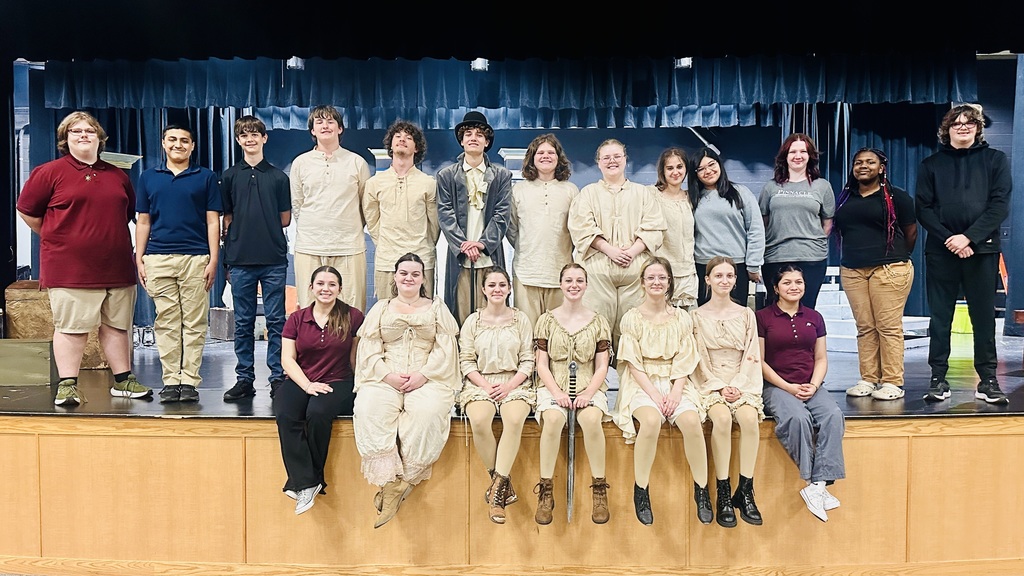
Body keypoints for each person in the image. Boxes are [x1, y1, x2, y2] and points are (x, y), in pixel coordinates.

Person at [16, 111, 152, 405]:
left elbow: (131, 215)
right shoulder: (48, 172)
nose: (83, 135)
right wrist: (58, 236)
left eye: (89, 131)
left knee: (117, 326)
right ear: (65, 139)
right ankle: (67, 385)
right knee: (72, 328)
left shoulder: (117, 175)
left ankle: (123, 380)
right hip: (70, 269)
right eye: (76, 131)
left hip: (116, 266)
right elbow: (27, 212)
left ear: (99, 138)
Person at [352, 253, 461, 529]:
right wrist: (387, 375)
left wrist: (423, 375)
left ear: (423, 278)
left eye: (415, 274)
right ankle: (392, 482)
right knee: (368, 407)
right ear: (395, 276)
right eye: (404, 273)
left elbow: (445, 348)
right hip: (386, 375)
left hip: (428, 375)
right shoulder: (381, 308)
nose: (409, 278)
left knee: (428, 413)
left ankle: (398, 486)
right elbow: (369, 348)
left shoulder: (436, 308)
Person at [916, 103, 1012, 404]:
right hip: (942, 251)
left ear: (977, 127)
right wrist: (951, 239)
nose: (963, 127)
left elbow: (999, 206)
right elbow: (924, 209)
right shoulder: (931, 164)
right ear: (947, 129)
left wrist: (969, 237)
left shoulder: (996, 160)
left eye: (968, 123)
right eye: (956, 123)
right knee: (940, 318)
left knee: (983, 318)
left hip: (981, 251)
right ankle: (938, 379)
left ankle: (987, 380)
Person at [611, 257, 704, 526]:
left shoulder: (682, 318)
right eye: (651, 277)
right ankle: (641, 489)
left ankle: (702, 489)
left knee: (691, 421)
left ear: (669, 282)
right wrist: (654, 394)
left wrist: (675, 393)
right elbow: (632, 362)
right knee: (650, 421)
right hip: (643, 381)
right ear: (642, 283)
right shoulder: (632, 317)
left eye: (661, 277)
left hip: (676, 380)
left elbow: (686, 359)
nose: (656, 282)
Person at [135, 124, 222, 404]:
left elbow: (213, 221)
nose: (178, 145)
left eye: (184, 141)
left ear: (192, 146)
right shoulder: (148, 178)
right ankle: (171, 380)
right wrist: (139, 257)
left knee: (195, 323)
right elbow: (143, 221)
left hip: (196, 258)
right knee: (167, 322)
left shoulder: (206, 177)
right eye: (172, 139)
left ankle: (190, 381)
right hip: (158, 259)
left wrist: (213, 259)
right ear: (163, 143)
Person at [756, 265, 845, 522]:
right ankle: (812, 479)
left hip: (810, 384)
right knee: (797, 419)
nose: (794, 287)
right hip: (776, 385)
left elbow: (821, 357)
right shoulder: (763, 317)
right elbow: (759, 362)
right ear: (776, 287)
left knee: (832, 415)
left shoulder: (814, 317)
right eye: (787, 282)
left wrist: (814, 385)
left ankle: (816, 488)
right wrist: (787, 387)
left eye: (798, 282)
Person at [274, 266, 363, 515]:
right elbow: (288, 359)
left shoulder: (353, 316)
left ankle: (304, 482)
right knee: (285, 414)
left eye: (332, 284)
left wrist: (361, 386)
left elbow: (356, 357)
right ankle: (309, 482)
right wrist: (307, 385)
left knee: (318, 413)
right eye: (321, 284)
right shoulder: (296, 318)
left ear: (340, 289)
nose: (326, 289)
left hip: (338, 380)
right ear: (311, 287)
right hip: (302, 378)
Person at [835, 148, 917, 401]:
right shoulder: (845, 197)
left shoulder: (896, 197)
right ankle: (869, 379)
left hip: (889, 268)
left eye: (870, 162)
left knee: (888, 327)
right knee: (865, 327)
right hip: (852, 270)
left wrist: (894, 256)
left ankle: (892, 381)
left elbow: (910, 232)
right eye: (858, 162)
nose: (863, 166)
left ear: (882, 167)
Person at [533, 263, 612, 525]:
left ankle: (599, 488)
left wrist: (588, 393)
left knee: (590, 420)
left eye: (579, 280)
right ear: (561, 284)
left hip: (588, 386)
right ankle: (545, 489)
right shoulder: (546, 320)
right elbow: (541, 365)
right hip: (552, 386)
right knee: (554, 420)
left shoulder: (598, 321)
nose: (574, 285)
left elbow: (602, 366)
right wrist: (556, 393)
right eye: (569, 280)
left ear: (586, 285)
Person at [220, 115, 292, 401]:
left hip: (273, 258)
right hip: (239, 260)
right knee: (243, 322)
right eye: (244, 135)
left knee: (276, 320)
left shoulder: (278, 177)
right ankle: (244, 378)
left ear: (264, 138)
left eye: (255, 134)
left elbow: (284, 219)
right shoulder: (228, 176)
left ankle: (277, 377)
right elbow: (227, 218)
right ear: (238, 140)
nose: (250, 139)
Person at [569, 139, 665, 348]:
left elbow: (655, 226)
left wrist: (632, 251)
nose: (612, 161)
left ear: (625, 159)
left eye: (616, 156)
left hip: (636, 270)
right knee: (596, 330)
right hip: (597, 272)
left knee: (633, 331)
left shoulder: (643, 193)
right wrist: (609, 249)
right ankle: (596, 379)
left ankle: (631, 378)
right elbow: (580, 227)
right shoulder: (587, 193)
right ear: (599, 162)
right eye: (606, 158)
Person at [457, 267, 535, 524]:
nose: (497, 289)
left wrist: (510, 385)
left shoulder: (521, 319)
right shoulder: (473, 321)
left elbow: (528, 360)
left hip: (515, 383)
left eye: (502, 285)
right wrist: (486, 385)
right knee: (479, 419)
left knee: (514, 420)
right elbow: (466, 360)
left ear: (510, 289)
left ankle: (496, 493)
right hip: (481, 384)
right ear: (483, 289)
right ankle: (502, 486)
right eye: (492, 285)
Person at [691, 256, 764, 527]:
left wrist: (739, 384)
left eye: (730, 276)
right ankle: (722, 490)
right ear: (707, 280)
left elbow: (752, 354)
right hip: (711, 381)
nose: (725, 281)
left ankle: (745, 490)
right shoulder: (696, 316)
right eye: (718, 276)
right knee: (721, 418)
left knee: (748, 419)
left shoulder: (746, 314)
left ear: (736, 280)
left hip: (741, 379)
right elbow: (698, 357)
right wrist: (719, 386)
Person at [290, 105, 371, 310]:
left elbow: (366, 205)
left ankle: (351, 344)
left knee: (351, 309)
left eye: (330, 121)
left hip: (348, 245)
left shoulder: (356, 162)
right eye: (319, 122)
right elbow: (298, 204)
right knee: (310, 309)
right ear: (312, 131)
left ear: (340, 128)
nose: (325, 126)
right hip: (310, 245)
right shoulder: (300, 163)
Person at [436, 111, 513, 325]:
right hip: (460, 256)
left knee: (492, 314)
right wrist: (464, 245)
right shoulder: (447, 176)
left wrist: (481, 244)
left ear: (487, 142)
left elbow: (502, 213)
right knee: (461, 315)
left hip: (489, 254)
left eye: (480, 134)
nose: (473, 138)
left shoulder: (501, 175)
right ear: (461, 140)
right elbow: (445, 213)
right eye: (468, 133)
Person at [362, 120, 440, 300]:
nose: (402, 139)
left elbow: (434, 225)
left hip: (422, 260)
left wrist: (423, 246)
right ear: (390, 145)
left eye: (408, 137)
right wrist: (387, 244)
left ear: (417, 148)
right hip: (387, 261)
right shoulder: (374, 184)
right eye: (397, 136)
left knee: (423, 316)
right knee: (387, 315)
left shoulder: (428, 183)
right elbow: (372, 223)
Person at [506, 133, 578, 325]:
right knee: (528, 334)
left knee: (558, 335)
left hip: (560, 274)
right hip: (526, 273)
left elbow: (576, 231)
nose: (545, 156)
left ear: (558, 157)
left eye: (551, 152)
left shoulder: (571, 190)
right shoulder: (518, 190)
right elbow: (512, 229)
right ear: (532, 158)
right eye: (540, 152)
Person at [759, 134, 835, 308]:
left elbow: (827, 223)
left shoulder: (822, 186)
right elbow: (763, 222)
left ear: (810, 156)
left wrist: (814, 241)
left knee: (806, 311)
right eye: (793, 151)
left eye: (803, 151)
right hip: (775, 257)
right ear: (785, 156)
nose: (798, 156)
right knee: (775, 312)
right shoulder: (771, 187)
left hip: (811, 258)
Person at [689, 146, 765, 307]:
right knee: (707, 318)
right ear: (695, 173)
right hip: (704, 266)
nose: (708, 171)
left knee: (736, 316)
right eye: (701, 169)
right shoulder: (692, 198)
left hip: (736, 264)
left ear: (719, 165)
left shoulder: (740, 192)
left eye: (711, 165)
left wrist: (753, 264)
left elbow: (755, 229)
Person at [651, 148, 698, 308]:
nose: (675, 172)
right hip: (661, 269)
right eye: (670, 168)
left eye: (679, 167)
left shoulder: (691, 197)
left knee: (683, 323)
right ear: (662, 171)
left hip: (687, 270)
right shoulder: (651, 194)